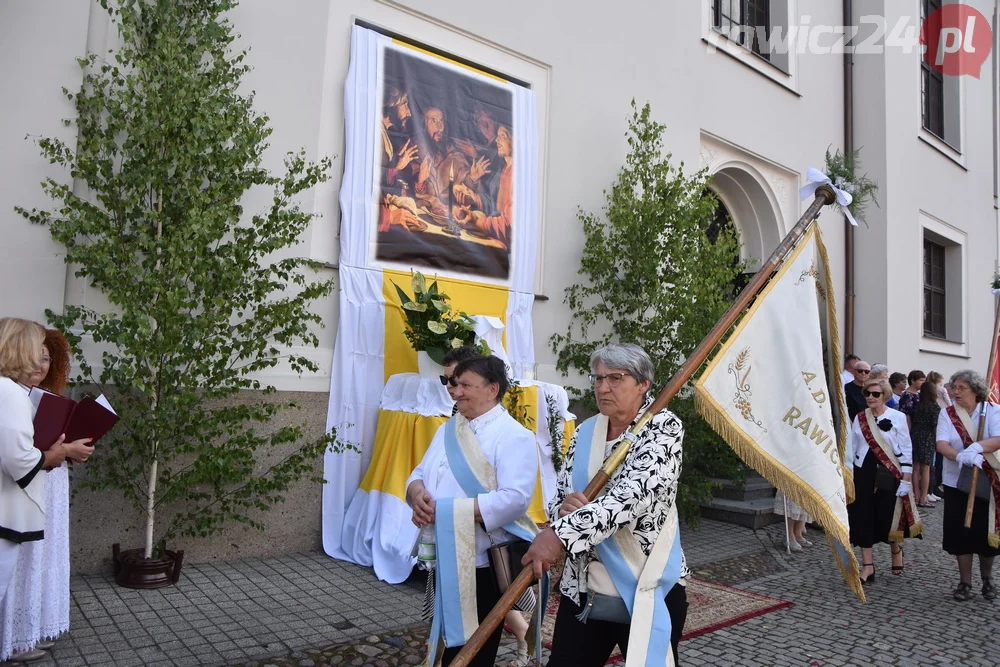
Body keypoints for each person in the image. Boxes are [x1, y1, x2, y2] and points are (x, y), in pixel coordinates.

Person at [521, 344, 688, 666]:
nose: (602, 387)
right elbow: (559, 494)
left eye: (615, 378)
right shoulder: (586, 430)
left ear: (643, 384)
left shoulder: (664, 428)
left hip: (648, 583)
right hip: (584, 588)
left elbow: (630, 498)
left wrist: (559, 534)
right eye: (597, 379)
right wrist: (562, 508)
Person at [405, 355, 539, 667]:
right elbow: (419, 472)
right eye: (455, 384)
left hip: (482, 563)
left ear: (492, 389)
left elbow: (514, 499)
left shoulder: (514, 436)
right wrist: (416, 494)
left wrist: (448, 512)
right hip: (446, 555)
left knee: (474, 649)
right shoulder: (448, 429)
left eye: (465, 385)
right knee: (449, 641)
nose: (456, 391)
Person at [1, 329, 87, 663]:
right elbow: (19, 459)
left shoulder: (21, 393)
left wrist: (66, 451)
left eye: (47, 356)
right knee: (15, 567)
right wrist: (57, 453)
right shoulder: (10, 394)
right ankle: (12, 638)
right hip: (15, 494)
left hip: (32, 487)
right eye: (35, 353)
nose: (41, 362)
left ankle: (24, 632)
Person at [846, 377, 919, 586]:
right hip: (864, 472)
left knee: (888, 516)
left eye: (875, 394)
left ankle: (896, 549)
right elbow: (853, 448)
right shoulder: (860, 418)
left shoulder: (898, 417)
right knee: (863, 515)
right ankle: (868, 565)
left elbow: (906, 449)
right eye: (868, 394)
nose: (871, 397)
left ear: (884, 395)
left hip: (889, 472)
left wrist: (906, 478)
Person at [935, 369, 1000, 601]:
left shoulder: (993, 411)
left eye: (961, 388)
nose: (955, 392)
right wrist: (961, 456)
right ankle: (964, 582)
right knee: (960, 533)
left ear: (976, 390)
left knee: (984, 534)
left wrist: (977, 448)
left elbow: (999, 438)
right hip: (955, 482)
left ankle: (987, 579)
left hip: (987, 481)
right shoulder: (948, 414)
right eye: (953, 387)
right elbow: (941, 444)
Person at [909, 380, 941, 508]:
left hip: (915, 435)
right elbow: (935, 425)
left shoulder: (917, 404)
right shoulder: (934, 407)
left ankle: (915, 497)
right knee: (926, 468)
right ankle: (923, 498)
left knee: (915, 467)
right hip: (928, 437)